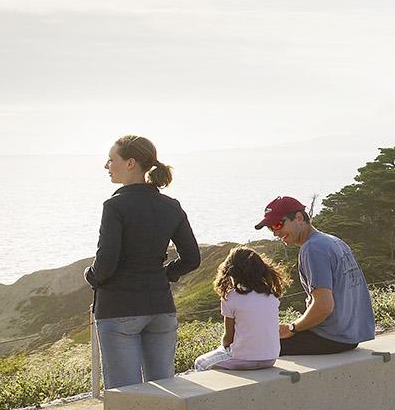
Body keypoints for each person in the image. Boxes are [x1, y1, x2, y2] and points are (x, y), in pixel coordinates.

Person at [87, 135, 201, 388]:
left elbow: (106, 263)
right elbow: (192, 258)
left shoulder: (115, 206)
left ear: (130, 163)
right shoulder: (171, 206)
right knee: (164, 393)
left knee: (125, 395)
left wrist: (91, 276)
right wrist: (165, 275)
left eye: (111, 159)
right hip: (161, 308)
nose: (107, 166)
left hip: (119, 310)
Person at [255, 196, 376, 354]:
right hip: (351, 336)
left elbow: (324, 306)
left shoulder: (312, 248)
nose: (276, 233)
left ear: (299, 218)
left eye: (278, 224)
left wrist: (292, 328)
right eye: (271, 228)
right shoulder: (335, 242)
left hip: (330, 338)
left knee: (254, 347)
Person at [193, 248, 285, 372]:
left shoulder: (230, 298)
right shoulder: (271, 296)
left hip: (242, 359)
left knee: (200, 362)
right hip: (270, 358)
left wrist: (223, 348)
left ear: (231, 272)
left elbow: (228, 338)